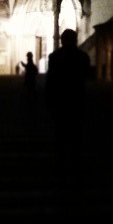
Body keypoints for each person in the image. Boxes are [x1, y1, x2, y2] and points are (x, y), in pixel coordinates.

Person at [45, 29, 90, 176]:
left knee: (60, 136)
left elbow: (50, 82)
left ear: (61, 40)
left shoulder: (54, 57)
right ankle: (75, 165)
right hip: (76, 101)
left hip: (60, 102)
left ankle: (61, 165)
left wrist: (49, 103)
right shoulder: (83, 57)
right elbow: (86, 77)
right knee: (76, 136)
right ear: (75, 40)